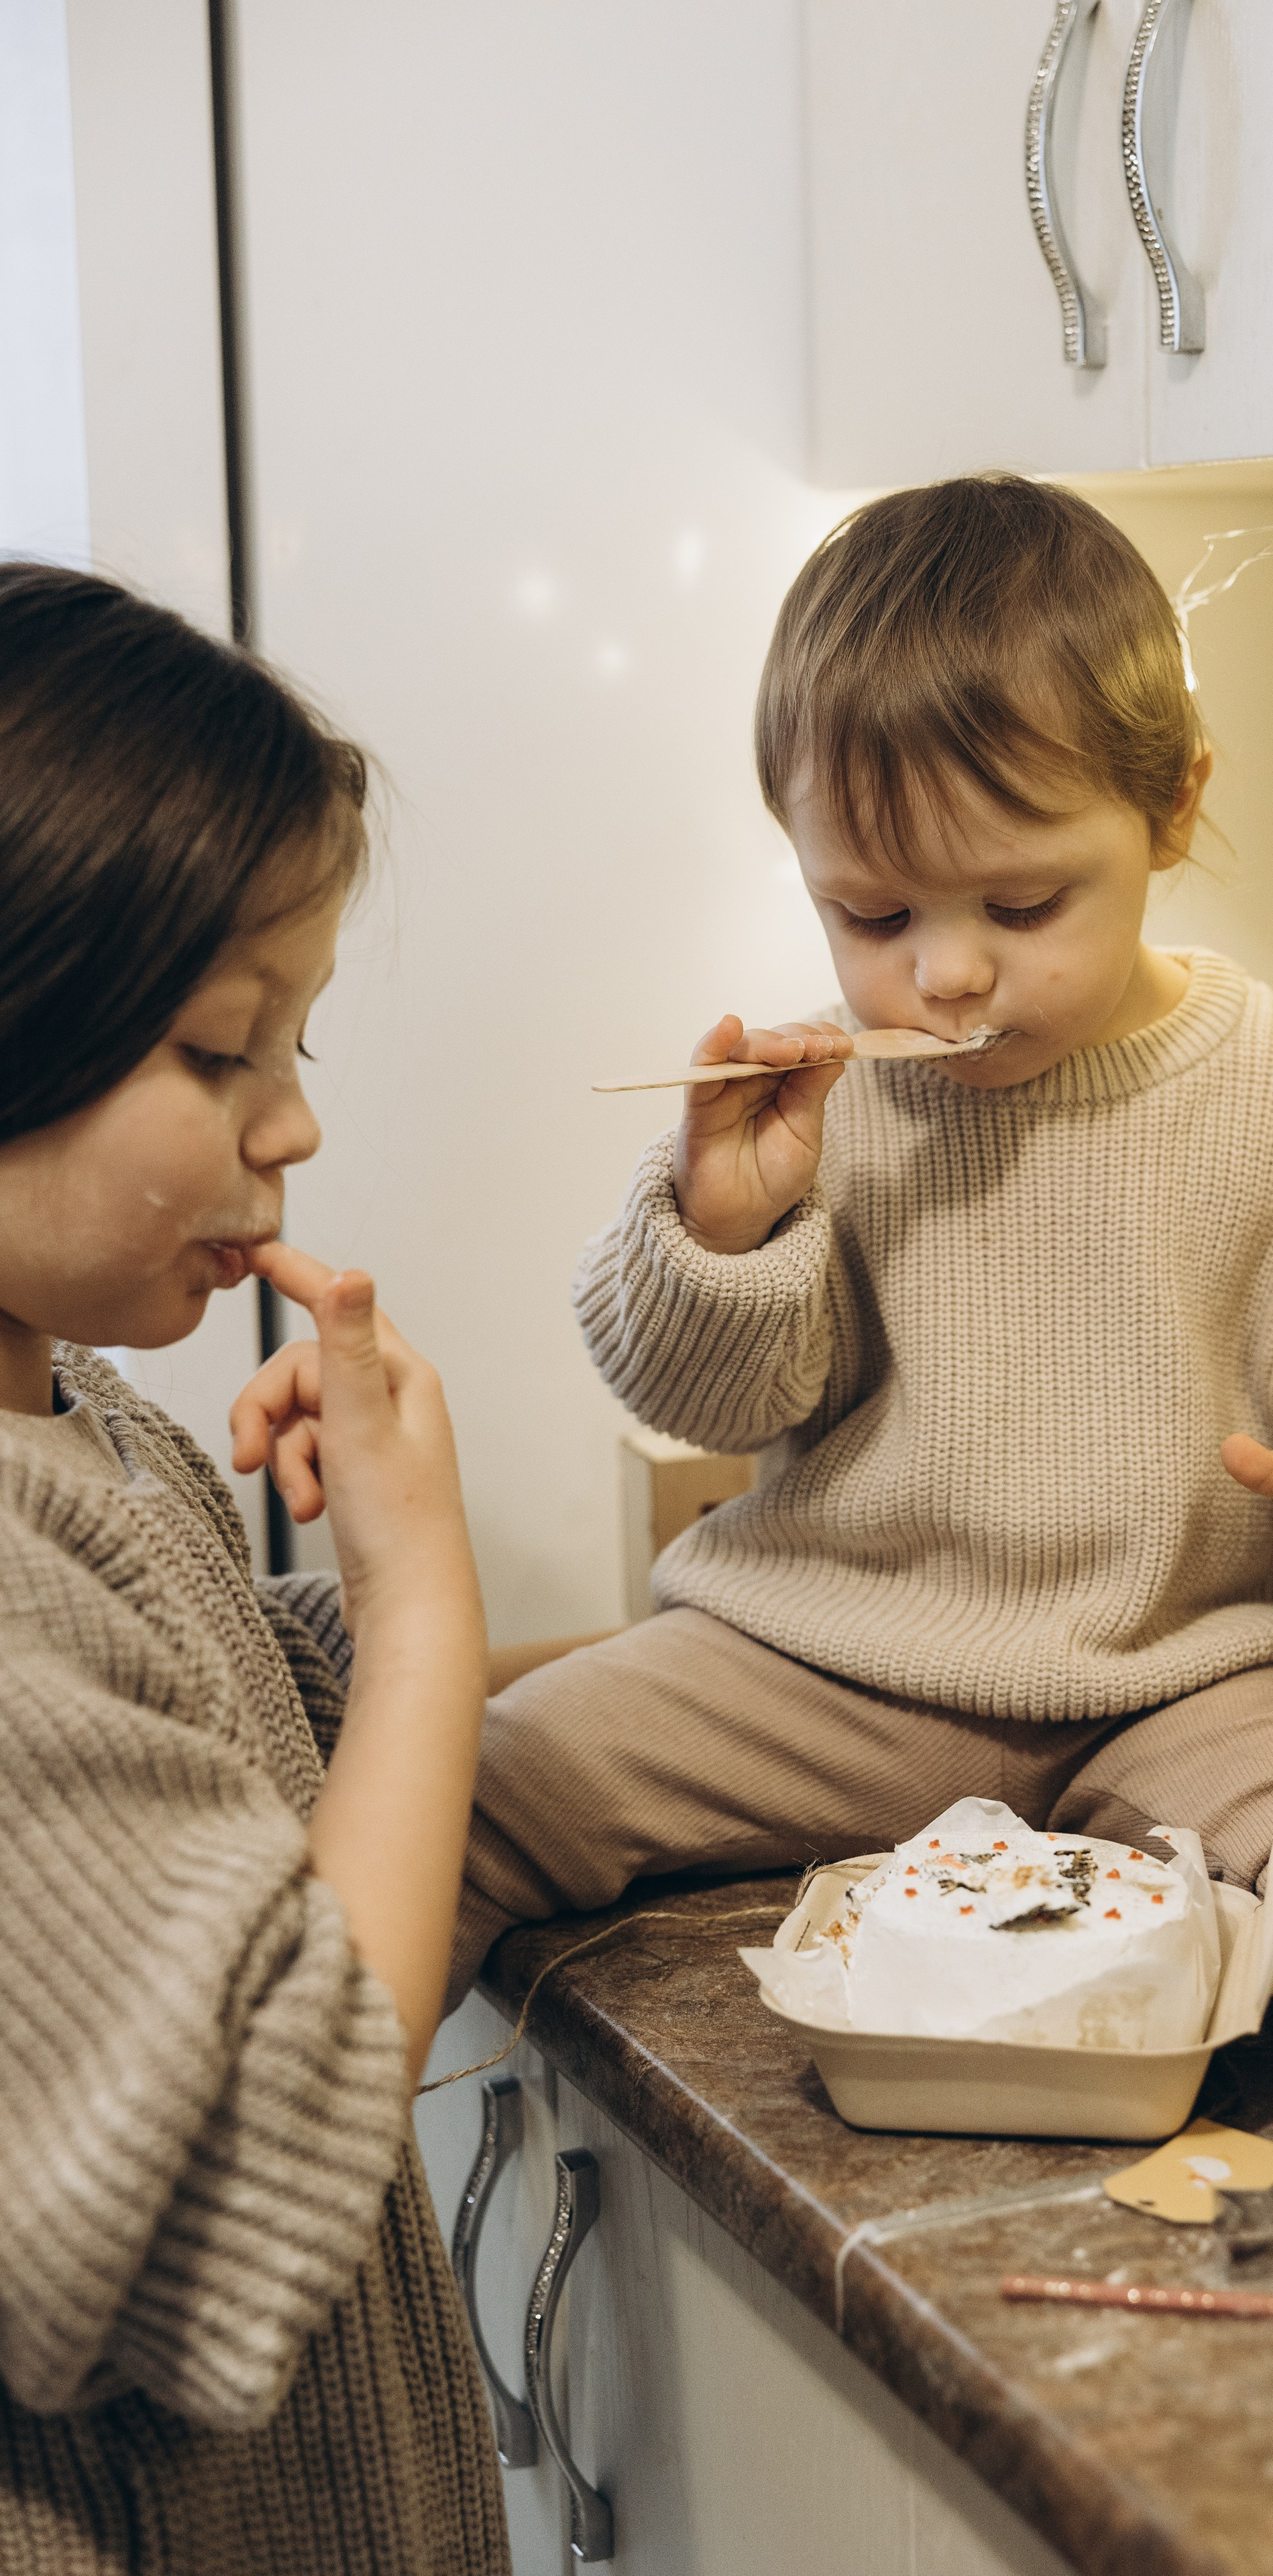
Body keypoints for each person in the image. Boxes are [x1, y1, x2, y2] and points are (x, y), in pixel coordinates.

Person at [456, 475, 1273, 2159]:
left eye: (1018, 907)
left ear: (1171, 812)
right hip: (823, 1664)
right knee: (499, 1774)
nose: (943, 976)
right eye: (871, 915)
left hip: (1175, 1682)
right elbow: (709, 1395)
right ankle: (295, 2088)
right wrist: (725, 1229)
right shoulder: (818, 1094)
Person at [0, 562, 508, 2573]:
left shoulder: (89, 1432)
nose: (291, 1125)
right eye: (220, 1054)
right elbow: (267, 2139)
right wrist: (426, 1612)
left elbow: (230, 1749)